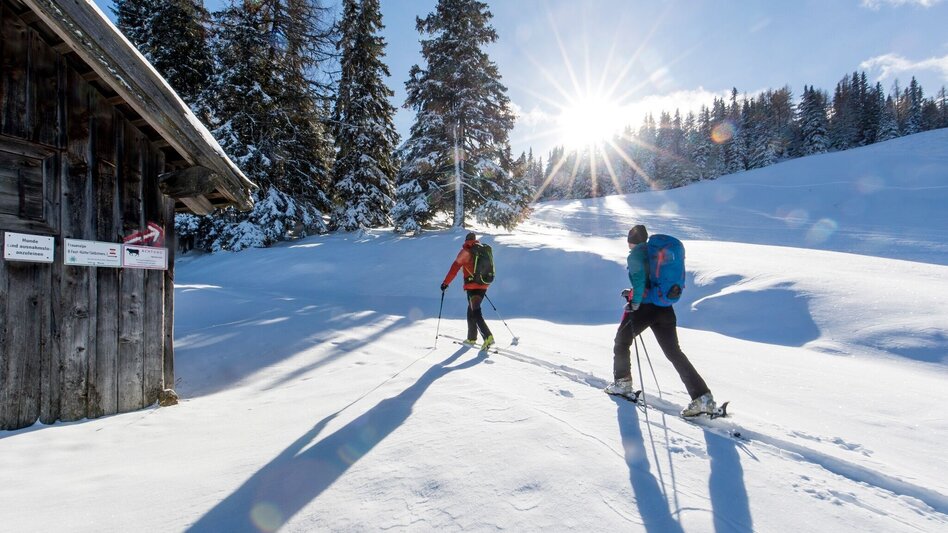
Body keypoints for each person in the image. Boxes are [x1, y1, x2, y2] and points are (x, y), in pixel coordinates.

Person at [605, 224, 716, 417]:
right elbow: (650, 281)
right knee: (674, 352)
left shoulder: (636, 255)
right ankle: (702, 397)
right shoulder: (654, 253)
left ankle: (622, 384)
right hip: (664, 308)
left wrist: (635, 302)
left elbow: (640, 280)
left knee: (621, 342)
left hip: (645, 308)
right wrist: (633, 293)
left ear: (631, 241)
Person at [441, 232, 495, 350]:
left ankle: (488, 336)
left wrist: (445, 283)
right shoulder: (481, 250)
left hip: (472, 286)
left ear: (466, 240)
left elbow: (454, 269)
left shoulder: (465, 252)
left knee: (475, 311)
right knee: (471, 311)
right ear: (475, 240)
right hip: (484, 284)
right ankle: (471, 338)